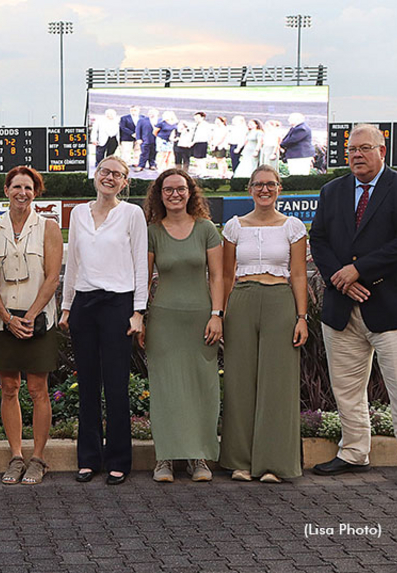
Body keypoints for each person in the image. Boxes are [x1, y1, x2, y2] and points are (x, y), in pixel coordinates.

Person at [309, 124, 397, 490]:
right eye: (351, 150)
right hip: (343, 307)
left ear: (382, 150)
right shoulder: (332, 190)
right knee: (346, 389)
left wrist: (359, 270)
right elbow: (319, 239)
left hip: (396, 311)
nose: (356, 155)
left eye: (364, 148)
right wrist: (339, 278)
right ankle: (354, 452)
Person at [59, 157, 147, 485]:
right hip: (84, 304)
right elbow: (74, 261)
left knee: (116, 385)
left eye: (117, 175)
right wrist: (67, 307)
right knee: (88, 385)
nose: (109, 178)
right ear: (95, 176)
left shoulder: (132, 214)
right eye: (105, 172)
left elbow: (140, 262)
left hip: (118, 305)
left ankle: (119, 460)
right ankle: (89, 458)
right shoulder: (79, 213)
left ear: (125, 182)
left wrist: (138, 312)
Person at [219, 165, 308, 483]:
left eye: (270, 184)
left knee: (277, 382)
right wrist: (221, 314)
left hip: (280, 302)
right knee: (239, 381)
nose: (264, 189)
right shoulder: (234, 227)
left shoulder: (293, 227)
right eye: (258, 184)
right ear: (249, 189)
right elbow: (227, 275)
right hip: (241, 302)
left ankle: (274, 462)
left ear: (279, 188)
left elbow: (298, 274)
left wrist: (302, 317)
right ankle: (239, 460)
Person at [140, 168, 224, 483]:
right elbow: (144, 279)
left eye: (181, 189)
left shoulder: (206, 229)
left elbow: (217, 276)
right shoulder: (152, 232)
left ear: (190, 192)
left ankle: (198, 457)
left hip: (202, 319)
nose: (175, 194)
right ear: (159, 195)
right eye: (168, 190)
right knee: (165, 388)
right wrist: (141, 316)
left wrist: (217, 314)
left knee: (203, 387)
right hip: (163, 319)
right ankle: (164, 457)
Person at [0, 166, 62, 486]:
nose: (22, 193)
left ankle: (38, 458)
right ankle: (16, 456)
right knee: (10, 388)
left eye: (28, 188)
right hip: (2, 322)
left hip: (37, 321)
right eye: (16, 187)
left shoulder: (48, 228)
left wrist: (28, 317)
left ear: (36, 192)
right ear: (6, 190)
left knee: (38, 389)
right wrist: (6, 317)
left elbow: (53, 277)